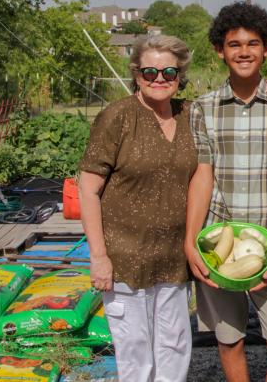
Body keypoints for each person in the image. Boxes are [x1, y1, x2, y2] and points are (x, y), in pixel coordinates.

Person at [184, 1, 267, 382]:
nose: (244, 51)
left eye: (253, 43)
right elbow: (203, 175)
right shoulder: (204, 107)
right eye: (234, 44)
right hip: (219, 240)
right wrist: (190, 241)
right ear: (220, 50)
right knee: (230, 340)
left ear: (266, 48)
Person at [78, 35, 197, 382]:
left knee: (175, 346)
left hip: (173, 257)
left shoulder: (189, 114)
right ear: (136, 73)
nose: (159, 79)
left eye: (169, 72)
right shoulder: (117, 118)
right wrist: (98, 257)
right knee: (135, 351)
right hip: (125, 257)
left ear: (180, 74)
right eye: (150, 71)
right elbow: (88, 190)